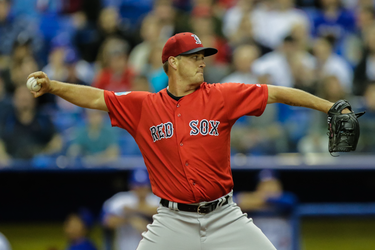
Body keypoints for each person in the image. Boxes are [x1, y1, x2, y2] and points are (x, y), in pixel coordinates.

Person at [28, 32, 347, 250]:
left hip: (225, 216)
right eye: (194, 56)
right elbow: (98, 98)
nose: (202, 61)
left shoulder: (222, 96)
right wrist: (53, 85)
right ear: (173, 62)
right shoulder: (145, 106)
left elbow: (276, 92)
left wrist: (329, 106)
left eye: (203, 56)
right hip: (172, 220)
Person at [236, 169, 297, 250]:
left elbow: (290, 201)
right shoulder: (251, 202)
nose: (269, 188)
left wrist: (261, 199)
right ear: (258, 187)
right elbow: (235, 200)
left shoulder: (286, 200)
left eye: (272, 184)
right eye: (265, 184)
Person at [101, 168, 159, 250]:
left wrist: (134, 211)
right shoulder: (121, 199)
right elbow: (106, 221)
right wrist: (130, 220)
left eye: (143, 186)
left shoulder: (156, 200)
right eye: (137, 186)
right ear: (131, 186)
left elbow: (162, 212)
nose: (140, 189)